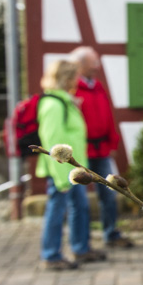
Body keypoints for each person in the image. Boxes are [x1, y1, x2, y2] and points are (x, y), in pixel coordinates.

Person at [36, 59, 107, 270]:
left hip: (74, 171)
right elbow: (52, 143)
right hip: (62, 173)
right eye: (74, 76)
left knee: (80, 209)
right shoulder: (53, 104)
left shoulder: (65, 100)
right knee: (57, 212)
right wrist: (61, 178)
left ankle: (81, 248)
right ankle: (51, 255)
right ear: (66, 78)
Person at [71, 46, 133, 248]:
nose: (97, 65)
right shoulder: (73, 89)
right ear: (81, 64)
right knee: (79, 201)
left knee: (109, 193)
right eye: (93, 62)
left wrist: (112, 141)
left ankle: (111, 233)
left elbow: (107, 115)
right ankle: (82, 241)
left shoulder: (97, 86)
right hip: (82, 152)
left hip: (101, 151)